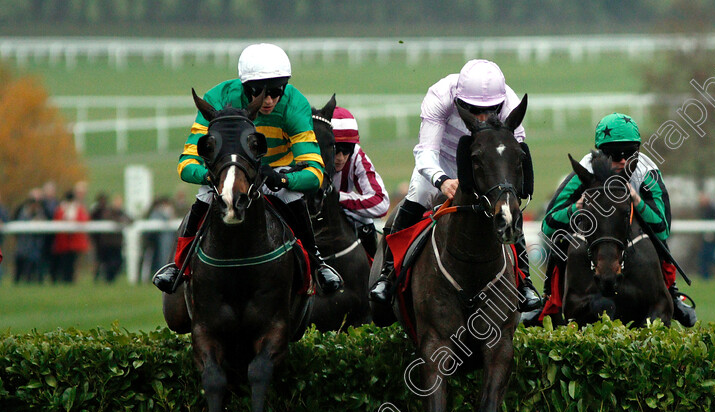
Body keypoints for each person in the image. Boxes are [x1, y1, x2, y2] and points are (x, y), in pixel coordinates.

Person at [152, 43, 342, 294]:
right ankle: (178, 265)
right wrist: (210, 176)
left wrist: (284, 181)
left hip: (276, 169)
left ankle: (317, 263)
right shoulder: (217, 99)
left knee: (291, 195)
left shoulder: (295, 104)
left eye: (277, 92)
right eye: (260, 92)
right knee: (205, 196)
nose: (270, 100)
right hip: (229, 171)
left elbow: (315, 173)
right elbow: (186, 164)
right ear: (244, 87)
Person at [368, 59, 541, 311]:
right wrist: (442, 180)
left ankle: (524, 282)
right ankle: (387, 277)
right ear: (460, 102)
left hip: (484, 168)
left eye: (491, 110)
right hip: (441, 164)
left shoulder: (510, 103)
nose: (482, 116)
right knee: (417, 195)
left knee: (507, 208)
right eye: (474, 109)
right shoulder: (440, 95)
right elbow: (426, 152)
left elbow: (510, 154)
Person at [542, 112, 697, 327]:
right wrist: (574, 209)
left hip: (633, 224)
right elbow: (548, 224)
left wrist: (637, 201)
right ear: (601, 154)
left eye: (630, 153)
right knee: (562, 241)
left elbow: (662, 228)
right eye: (615, 155)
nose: (623, 161)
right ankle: (549, 298)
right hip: (592, 229)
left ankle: (671, 294)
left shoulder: (647, 172)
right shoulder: (584, 171)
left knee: (657, 241)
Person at [330, 106, 389, 257]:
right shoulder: (310, 152)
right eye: (336, 149)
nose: (341, 158)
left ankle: (374, 274)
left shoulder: (357, 155)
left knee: (364, 220)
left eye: (347, 150)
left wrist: (338, 197)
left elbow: (381, 203)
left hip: (341, 215)